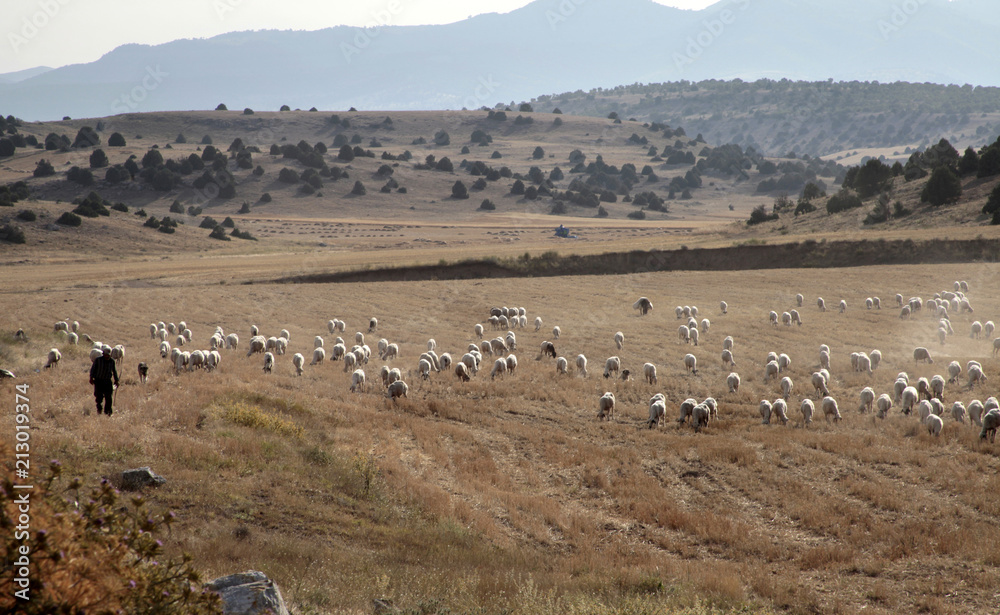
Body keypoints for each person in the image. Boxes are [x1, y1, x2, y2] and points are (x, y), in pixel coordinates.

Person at [90, 344, 120, 416]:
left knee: (109, 398)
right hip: (98, 381)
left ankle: (108, 412)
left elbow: (114, 371)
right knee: (99, 397)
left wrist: (116, 380)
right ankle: (99, 409)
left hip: (107, 382)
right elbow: (93, 369)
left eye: (108, 355)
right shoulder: (98, 360)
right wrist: (91, 378)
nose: (107, 356)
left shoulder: (112, 361)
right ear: (103, 354)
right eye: (106, 355)